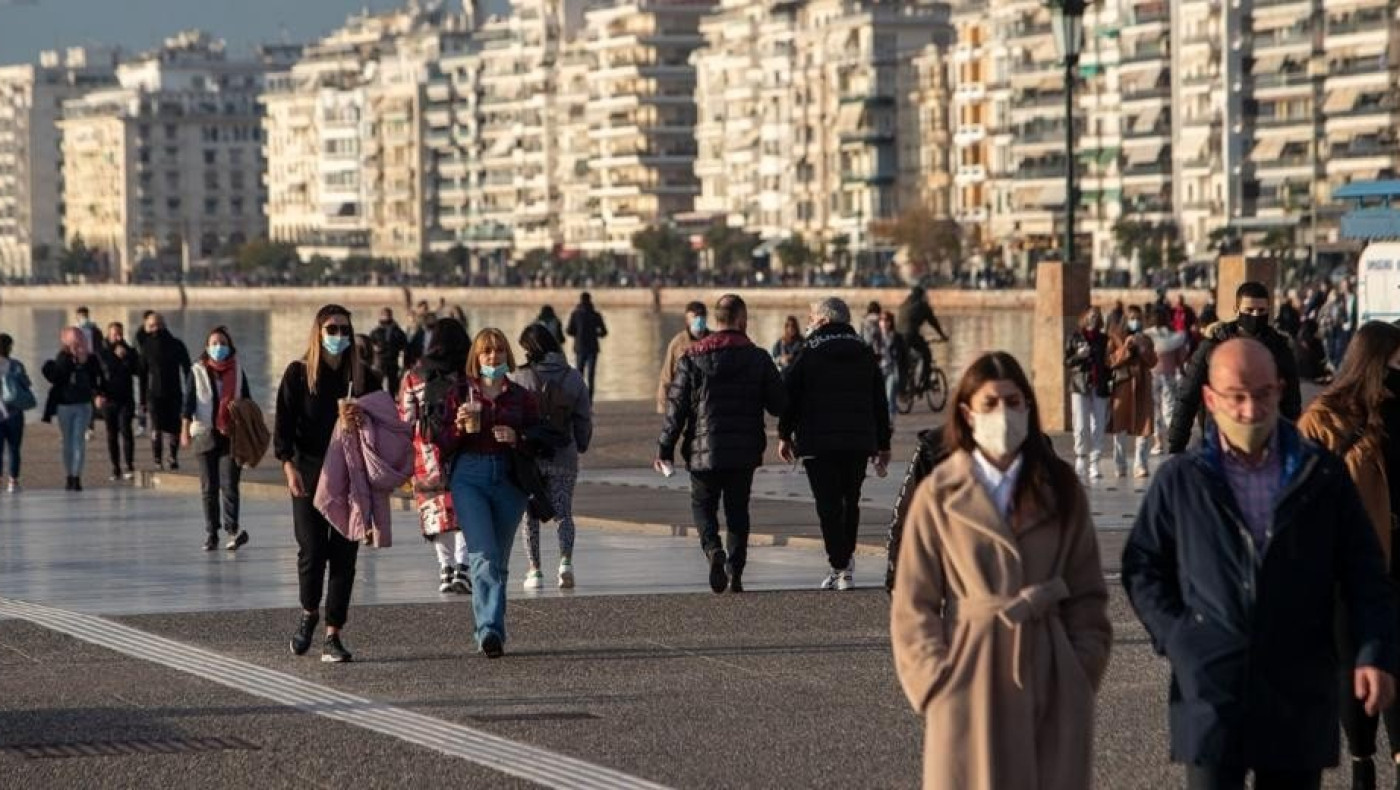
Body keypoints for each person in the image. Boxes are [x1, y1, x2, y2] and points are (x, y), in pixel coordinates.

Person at [1122, 338, 1398, 790]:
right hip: (1213, 691)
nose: (1251, 410)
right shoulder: (1184, 480)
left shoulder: (1320, 476)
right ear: (1210, 400)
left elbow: (1364, 571)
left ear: (1281, 390)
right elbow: (1143, 566)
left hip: (1298, 688)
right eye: (1237, 396)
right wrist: (1180, 638)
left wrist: (1372, 651)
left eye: (1264, 394)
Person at [890, 351, 1111, 790]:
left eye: (1012, 402)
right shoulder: (940, 492)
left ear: (1028, 407)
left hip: (1051, 670)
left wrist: (1079, 669)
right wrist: (935, 686)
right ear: (967, 414)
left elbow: (1088, 592)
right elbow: (914, 602)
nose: (1003, 414)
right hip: (970, 673)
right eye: (989, 404)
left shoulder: (1061, 486)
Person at [1296, 321, 1400, 790]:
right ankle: (1362, 762)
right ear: (1378, 359)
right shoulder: (1325, 415)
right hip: (1348, 564)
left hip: (1397, 557)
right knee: (1351, 666)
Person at [656, 294, 787, 594]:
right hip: (743, 451)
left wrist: (665, 449)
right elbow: (779, 404)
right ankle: (736, 571)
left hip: (703, 450)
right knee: (738, 510)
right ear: (741, 320)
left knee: (702, 505)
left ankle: (714, 550)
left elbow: (676, 409)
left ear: (717, 320)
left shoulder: (692, 357)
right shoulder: (758, 357)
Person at [274, 304, 381, 664]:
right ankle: (309, 612)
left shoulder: (364, 378)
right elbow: (284, 426)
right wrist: (288, 466)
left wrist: (361, 418)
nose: (339, 336)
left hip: (351, 475)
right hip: (309, 471)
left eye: (344, 330)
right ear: (318, 333)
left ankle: (333, 633)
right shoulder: (298, 374)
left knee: (345, 555)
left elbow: (386, 421)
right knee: (311, 550)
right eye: (332, 329)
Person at [436, 328, 539, 658]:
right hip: (470, 476)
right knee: (483, 555)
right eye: (486, 352)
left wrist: (516, 436)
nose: (492, 357)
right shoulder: (459, 394)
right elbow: (441, 444)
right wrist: (458, 427)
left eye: (498, 351)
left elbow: (541, 439)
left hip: (509, 477)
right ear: (476, 358)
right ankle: (489, 631)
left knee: (500, 560)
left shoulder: (521, 397)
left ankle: (494, 624)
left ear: (507, 355)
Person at [777, 298, 891, 591]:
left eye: (812, 317)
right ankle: (844, 566)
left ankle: (839, 562)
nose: (809, 322)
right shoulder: (864, 351)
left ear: (824, 321)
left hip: (818, 442)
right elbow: (880, 400)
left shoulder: (808, 351)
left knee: (828, 506)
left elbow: (790, 395)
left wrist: (784, 434)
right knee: (850, 501)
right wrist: (883, 443)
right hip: (857, 441)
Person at [1167, 281, 1302, 454]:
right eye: (1249, 310)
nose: (1255, 316)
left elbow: (1291, 403)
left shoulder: (1280, 349)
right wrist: (1176, 447)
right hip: (1219, 444)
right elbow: (1187, 398)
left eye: (1261, 311)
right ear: (1237, 309)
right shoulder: (1212, 346)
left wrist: (1293, 446)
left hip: (1266, 446)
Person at [512, 324, 592, 591]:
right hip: (563, 453)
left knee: (530, 515)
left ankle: (535, 571)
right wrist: (581, 444)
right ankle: (566, 563)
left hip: (529, 455)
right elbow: (583, 418)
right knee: (563, 513)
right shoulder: (573, 377)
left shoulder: (520, 377)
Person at [398, 317, 473, 596]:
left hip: (426, 453)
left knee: (435, 512)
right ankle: (464, 569)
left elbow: (405, 419)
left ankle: (445, 568)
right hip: (462, 448)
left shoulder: (413, 376)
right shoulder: (467, 376)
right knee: (465, 509)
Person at [183, 326, 252, 552]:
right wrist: (184, 430)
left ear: (230, 346)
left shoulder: (238, 370)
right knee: (208, 487)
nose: (218, 347)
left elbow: (248, 401)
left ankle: (232, 531)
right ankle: (211, 533)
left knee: (230, 484)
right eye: (214, 343)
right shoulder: (197, 370)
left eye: (222, 342)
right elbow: (188, 402)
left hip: (231, 435)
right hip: (205, 433)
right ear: (206, 347)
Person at [43, 326, 105, 492]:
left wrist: (99, 393)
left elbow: (98, 378)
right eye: (74, 341)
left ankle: (77, 476)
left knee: (78, 441)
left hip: (83, 405)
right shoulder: (63, 357)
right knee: (67, 442)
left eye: (80, 340)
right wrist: (70, 360)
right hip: (64, 405)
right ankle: (69, 474)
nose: (77, 345)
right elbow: (55, 377)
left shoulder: (91, 359)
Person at [1107, 306, 1158, 479]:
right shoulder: (1115, 338)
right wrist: (1125, 349)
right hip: (1123, 384)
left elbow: (1153, 361)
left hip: (1143, 384)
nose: (1135, 321)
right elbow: (1111, 361)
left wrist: (1143, 351)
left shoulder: (1146, 339)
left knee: (1144, 424)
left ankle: (1140, 464)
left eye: (1138, 318)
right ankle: (1120, 464)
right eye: (1132, 318)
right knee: (1120, 425)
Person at [139, 312, 191, 471]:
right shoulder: (146, 346)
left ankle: (172, 457)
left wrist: (190, 394)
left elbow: (187, 369)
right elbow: (142, 374)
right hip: (154, 394)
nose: (153, 329)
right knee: (156, 427)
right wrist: (142, 400)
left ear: (162, 325)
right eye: (150, 326)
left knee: (174, 427)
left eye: (155, 325)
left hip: (174, 391)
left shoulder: (176, 344)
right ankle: (157, 459)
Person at [1064, 306, 1111, 479]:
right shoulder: (1075, 337)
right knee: (1081, 424)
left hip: (1099, 385)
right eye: (1091, 316)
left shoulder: (1104, 339)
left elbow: (1108, 362)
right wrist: (1079, 356)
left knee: (1098, 425)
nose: (1093, 319)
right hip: (1080, 385)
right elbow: (1067, 361)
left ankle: (1095, 463)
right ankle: (1081, 459)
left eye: (1096, 317)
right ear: (1084, 318)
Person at [1144, 307, 1188, 456]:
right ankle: (1174, 441)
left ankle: (1158, 444)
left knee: (1155, 411)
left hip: (1152, 376)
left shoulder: (1147, 336)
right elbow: (1181, 359)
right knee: (1169, 410)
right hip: (1168, 377)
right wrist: (1182, 371)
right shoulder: (1175, 337)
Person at [98, 322, 139, 482]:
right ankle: (115, 467)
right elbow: (100, 374)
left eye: (120, 334)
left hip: (126, 398)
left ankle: (129, 465)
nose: (118, 338)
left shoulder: (129, 351)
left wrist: (126, 356)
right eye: (115, 334)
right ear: (108, 335)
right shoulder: (102, 353)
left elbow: (137, 370)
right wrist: (97, 394)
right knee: (111, 434)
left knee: (126, 430)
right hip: (109, 399)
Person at [656, 300, 708, 414]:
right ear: (687, 320)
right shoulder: (678, 343)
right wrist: (662, 404)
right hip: (684, 401)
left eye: (702, 317)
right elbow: (667, 375)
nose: (698, 322)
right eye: (694, 318)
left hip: (707, 402)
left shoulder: (714, 341)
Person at [895, 286, 949, 390]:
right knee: (926, 354)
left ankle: (909, 381)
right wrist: (942, 335)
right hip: (911, 335)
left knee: (909, 358)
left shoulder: (903, 304)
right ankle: (925, 382)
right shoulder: (922, 306)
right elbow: (933, 322)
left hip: (898, 337)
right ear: (921, 295)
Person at [0, 333, 34, 493]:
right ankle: (13, 481)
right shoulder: (16, 365)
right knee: (14, 448)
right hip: (15, 412)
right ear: (9, 347)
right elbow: (27, 383)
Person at [566, 291, 608, 393]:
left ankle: (579, 398)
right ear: (590, 300)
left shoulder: (575, 314)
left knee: (579, 374)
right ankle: (589, 400)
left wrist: (578, 334)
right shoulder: (595, 314)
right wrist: (596, 334)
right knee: (591, 376)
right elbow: (604, 332)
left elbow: (569, 331)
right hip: (593, 347)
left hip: (579, 347)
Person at [872, 311, 904, 424]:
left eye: (886, 320)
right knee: (878, 398)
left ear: (891, 322)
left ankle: (889, 422)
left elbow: (903, 356)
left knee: (890, 397)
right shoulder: (875, 336)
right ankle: (881, 420)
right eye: (881, 320)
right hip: (879, 370)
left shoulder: (896, 337)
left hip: (891, 370)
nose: (884, 323)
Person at [369, 307, 408, 399]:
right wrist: (374, 348)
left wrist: (403, 357)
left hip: (392, 360)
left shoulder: (397, 331)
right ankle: (378, 400)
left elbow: (404, 345)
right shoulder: (376, 331)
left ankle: (391, 401)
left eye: (387, 315)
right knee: (377, 383)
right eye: (384, 315)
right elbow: (369, 343)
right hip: (379, 361)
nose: (386, 317)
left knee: (393, 384)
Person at [1295, 318, 1331, 383]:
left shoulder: (1297, 341)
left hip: (1298, 372)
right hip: (1313, 372)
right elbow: (1322, 357)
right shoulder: (1316, 342)